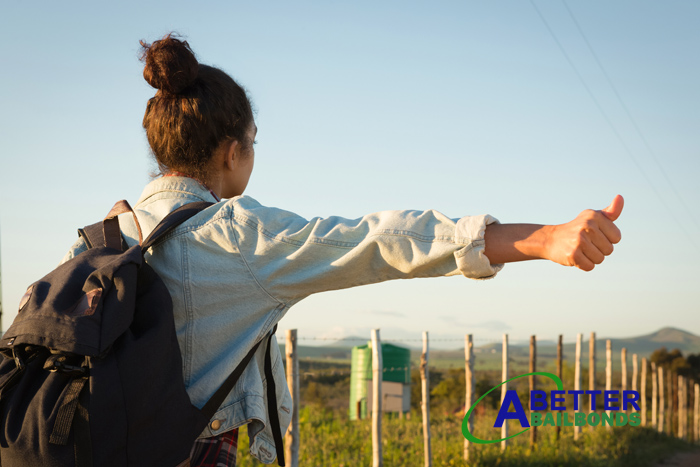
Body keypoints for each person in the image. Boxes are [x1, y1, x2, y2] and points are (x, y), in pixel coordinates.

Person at [62, 34, 623, 466]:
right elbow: (377, 240)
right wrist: (542, 239)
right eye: (254, 143)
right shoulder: (235, 234)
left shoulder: (99, 240)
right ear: (232, 152)